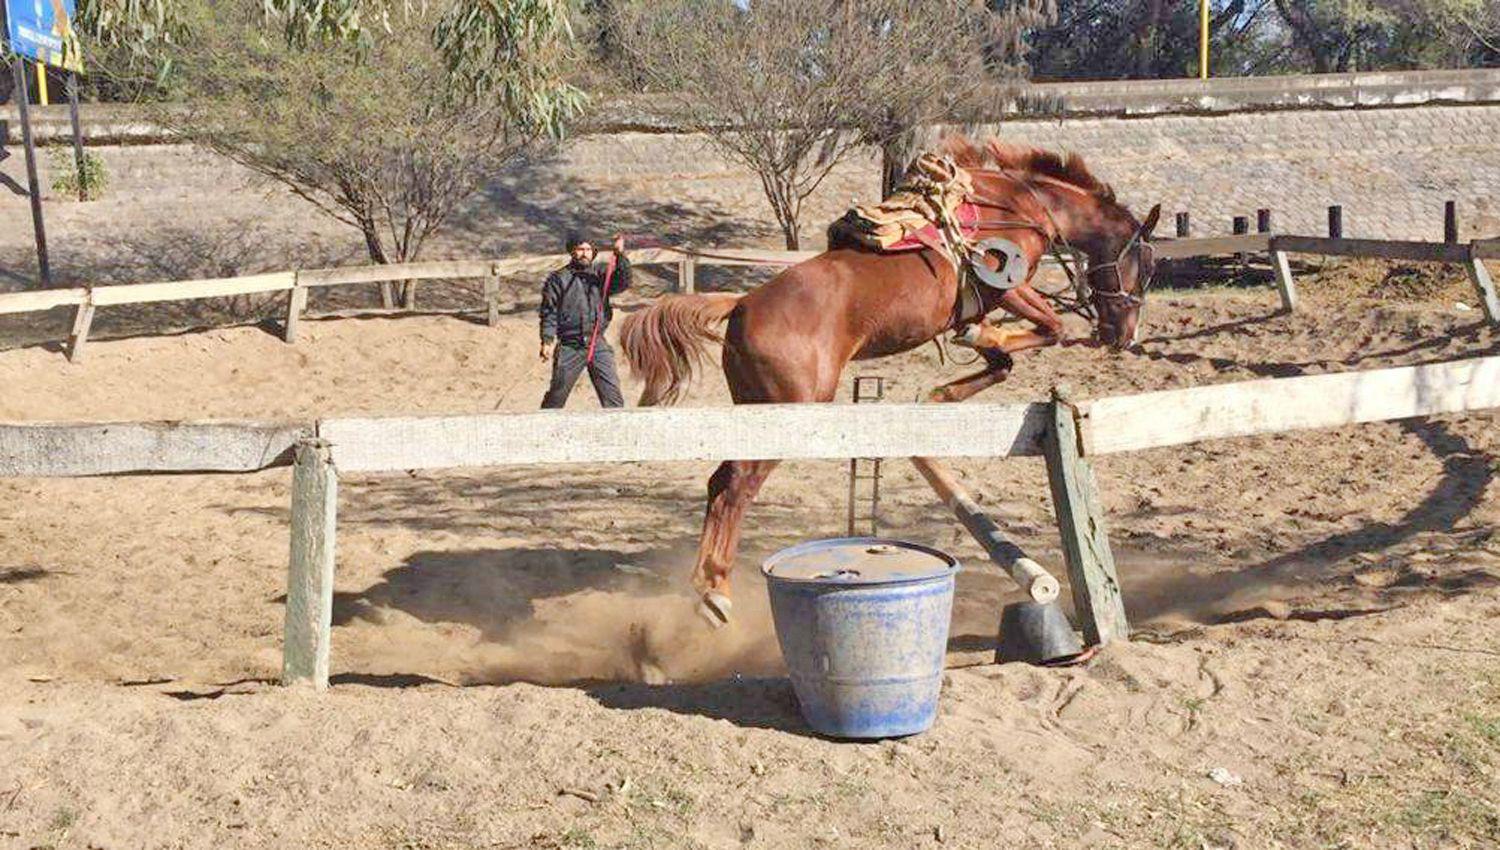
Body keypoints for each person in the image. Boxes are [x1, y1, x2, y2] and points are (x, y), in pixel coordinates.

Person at [539, 232, 632, 409]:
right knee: (556, 398)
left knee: (613, 399)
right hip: (570, 346)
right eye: (580, 249)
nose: (584, 253)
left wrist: (620, 255)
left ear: (593, 252)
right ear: (572, 252)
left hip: (597, 345)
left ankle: (618, 432)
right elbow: (548, 312)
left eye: (588, 249)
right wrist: (547, 340)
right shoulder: (558, 279)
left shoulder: (600, 275)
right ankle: (544, 428)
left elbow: (623, 282)